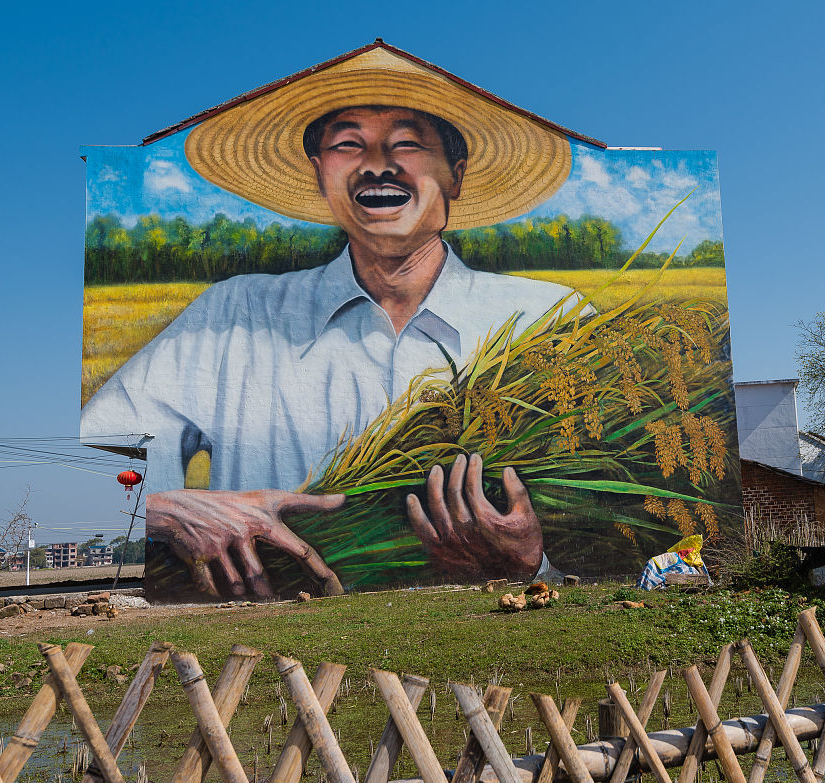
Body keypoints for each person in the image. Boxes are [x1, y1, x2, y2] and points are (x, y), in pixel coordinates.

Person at [80, 46, 580, 598]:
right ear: (320, 175)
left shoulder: (550, 319)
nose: (377, 164)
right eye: (347, 143)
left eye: (409, 142)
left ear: (455, 175)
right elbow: (85, 475)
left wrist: (532, 566)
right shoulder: (232, 319)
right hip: (268, 665)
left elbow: (627, 525)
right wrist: (166, 512)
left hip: (503, 659)